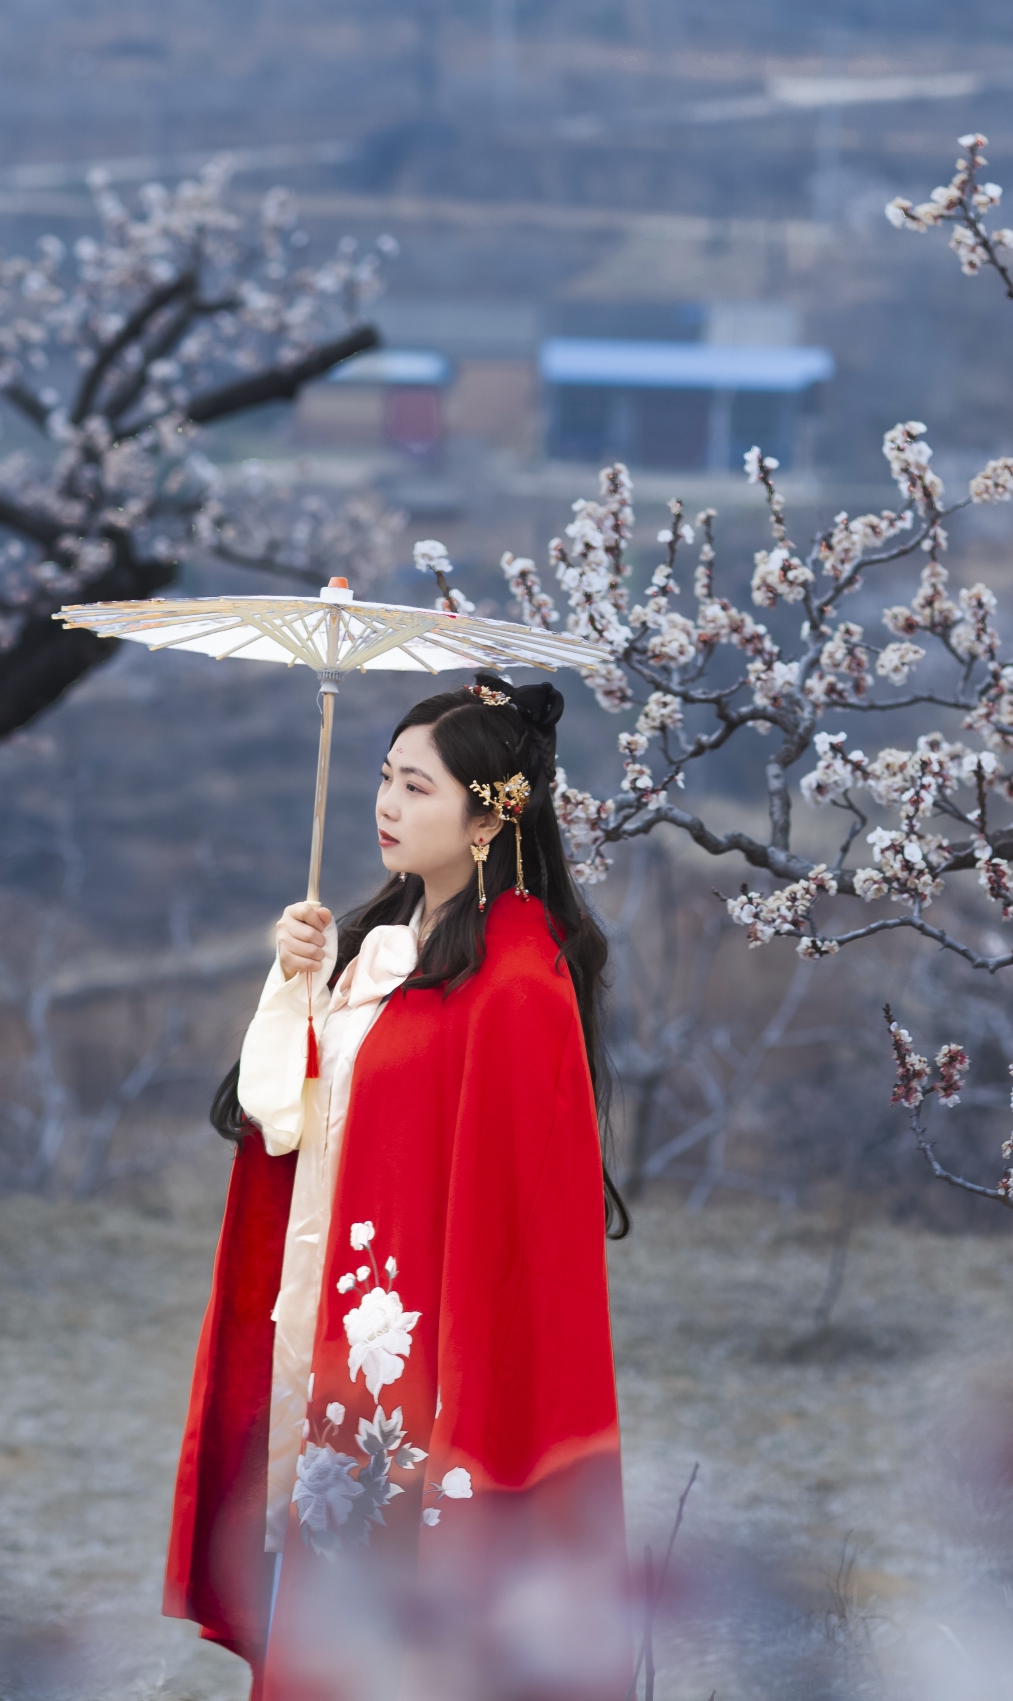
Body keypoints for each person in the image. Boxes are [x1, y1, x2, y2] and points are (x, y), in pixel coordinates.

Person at [164, 673, 631, 1699]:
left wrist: (462, 1385)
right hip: (343, 1318)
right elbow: (284, 1117)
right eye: (383, 778)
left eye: (416, 788)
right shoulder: (384, 948)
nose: (385, 804)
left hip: (421, 1348)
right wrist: (297, 987)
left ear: (486, 815)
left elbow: (517, 1224)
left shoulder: (515, 978)